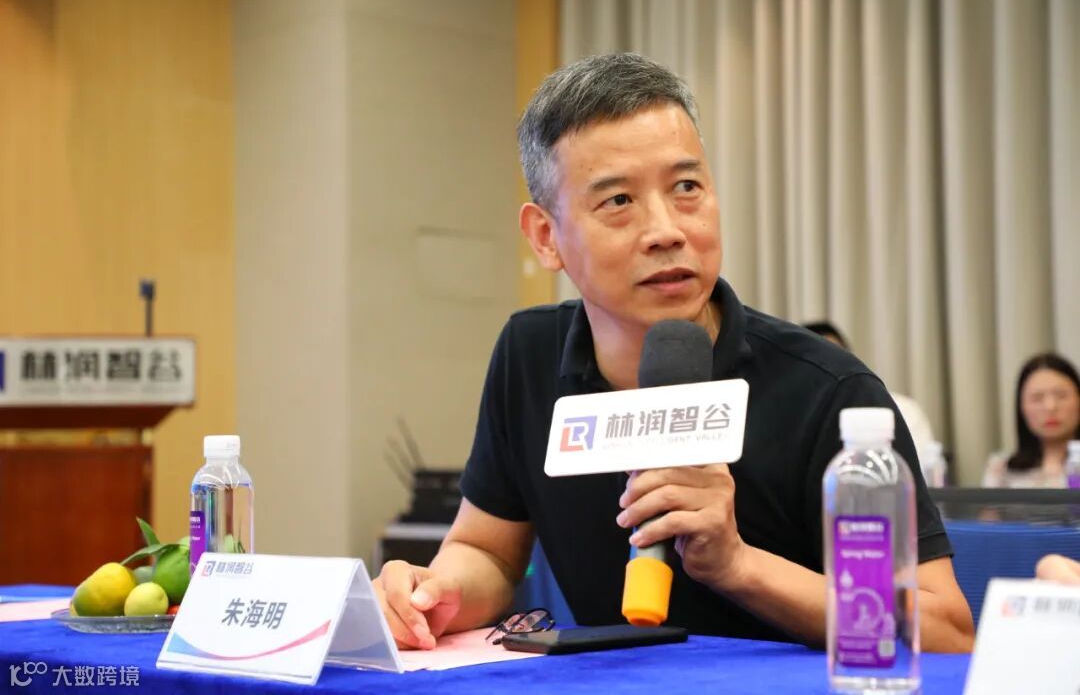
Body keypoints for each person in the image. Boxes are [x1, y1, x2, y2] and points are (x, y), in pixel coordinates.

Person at [373, 53, 974, 653]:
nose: (666, 230)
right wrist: (435, 593)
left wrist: (738, 565)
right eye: (618, 201)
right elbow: (487, 551)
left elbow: (946, 630)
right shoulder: (528, 355)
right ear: (546, 237)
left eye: (686, 188)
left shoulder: (828, 392)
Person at [803, 321, 938, 471]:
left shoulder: (901, 409)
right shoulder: (794, 419)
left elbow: (919, 473)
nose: (827, 370)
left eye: (835, 358)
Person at [982, 353, 1080, 488]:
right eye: (1037, 398)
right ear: (1022, 407)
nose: (1050, 407)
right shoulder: (1000, 469)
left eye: (1061, 396)